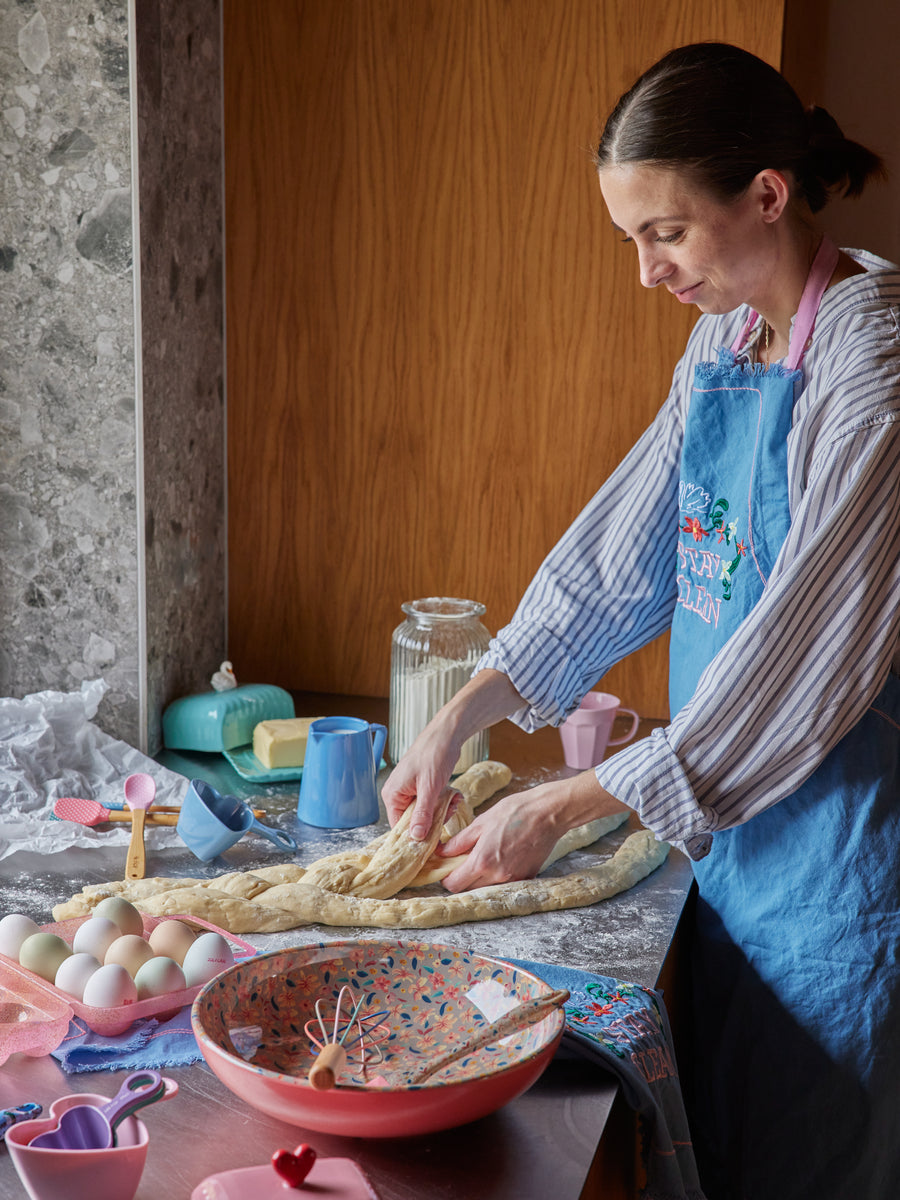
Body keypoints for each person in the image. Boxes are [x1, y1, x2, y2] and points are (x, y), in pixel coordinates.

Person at [381, 41, 900, 1200]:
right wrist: (462, 715)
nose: (647, 271)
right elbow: (622, 555)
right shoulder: (723, 344)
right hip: (727, 852)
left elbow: (796, 671)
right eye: (632, 241)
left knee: (811, 1164)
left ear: (767, 193)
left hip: (841, 869)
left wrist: (562, 803)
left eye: (664, 233)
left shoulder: (876, 369)